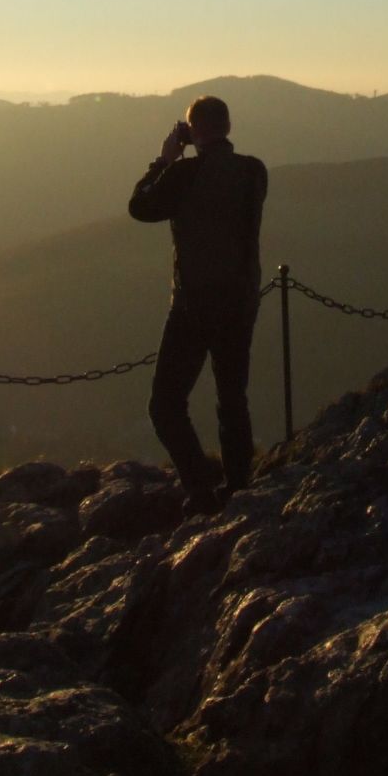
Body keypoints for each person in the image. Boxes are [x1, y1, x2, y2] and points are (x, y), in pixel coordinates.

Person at [127, 94, 268, 512]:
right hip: (241, 300)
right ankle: (239, 487)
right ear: (228, 125)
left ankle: (200, 488)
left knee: (166, 404)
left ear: (193, 130)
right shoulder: (254, 171)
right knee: (232, 397)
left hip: (194, 305)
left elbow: (140, 206)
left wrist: (164, 158)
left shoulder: (185, 173)